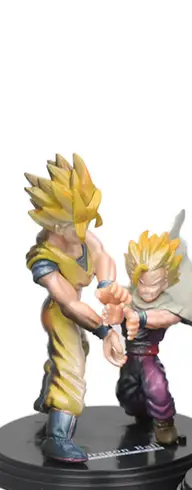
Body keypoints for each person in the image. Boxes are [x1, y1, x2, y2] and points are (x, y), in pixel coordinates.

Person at [25, 154, 129, 463]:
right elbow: (69, 304)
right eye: (78, 223)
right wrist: (105, 332)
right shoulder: (44, 258)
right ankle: (58, 437)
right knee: (72, 366)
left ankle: (47, 397)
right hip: (61, 314)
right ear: (58, 225)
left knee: (75, 352)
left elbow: (102, 256)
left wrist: (106, 284)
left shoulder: (80, 234)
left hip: (77, 309)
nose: (85, 229)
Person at [103, 211, 192, 444]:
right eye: (143, 284)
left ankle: (165, 427)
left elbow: (168, 317)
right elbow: (114, 310)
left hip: (148, 356)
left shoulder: (168, 303)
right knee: (127, 395)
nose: (147, 291)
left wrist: (141, 318)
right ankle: (142, 415)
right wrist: (114, 314)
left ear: (166, 281)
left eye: (154, 285)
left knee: (157, 387)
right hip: (129, 358)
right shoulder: (129, 295)